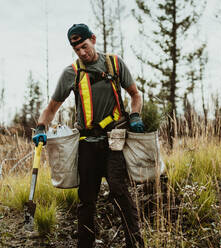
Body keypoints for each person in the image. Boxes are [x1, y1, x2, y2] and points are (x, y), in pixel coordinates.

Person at [33, 23, 144, 248]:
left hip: (114, 139)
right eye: (77, 50)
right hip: (86, 143)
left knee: (119, 191)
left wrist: (135, 116)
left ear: (93, 39)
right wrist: (41, 128)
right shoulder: (71, 73)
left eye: (84, 46)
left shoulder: (114, 63)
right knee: (86, 200)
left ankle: (135, 243)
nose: (82, 53)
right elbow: (52, 108)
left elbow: (135, 95)